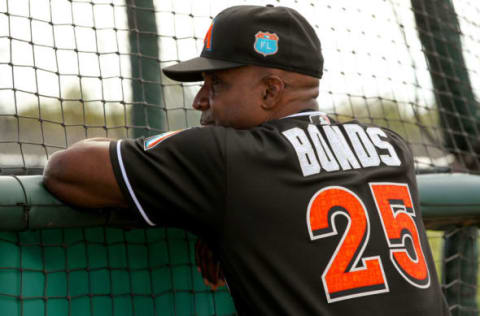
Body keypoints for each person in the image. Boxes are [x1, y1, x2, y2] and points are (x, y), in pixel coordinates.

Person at [43, 5, 450, 316]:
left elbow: (66, 170)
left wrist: (209, 194)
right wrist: (223, 219)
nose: (201, 100)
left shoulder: (226, 157)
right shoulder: (390, 146)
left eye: (216, 83)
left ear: (271, 92)